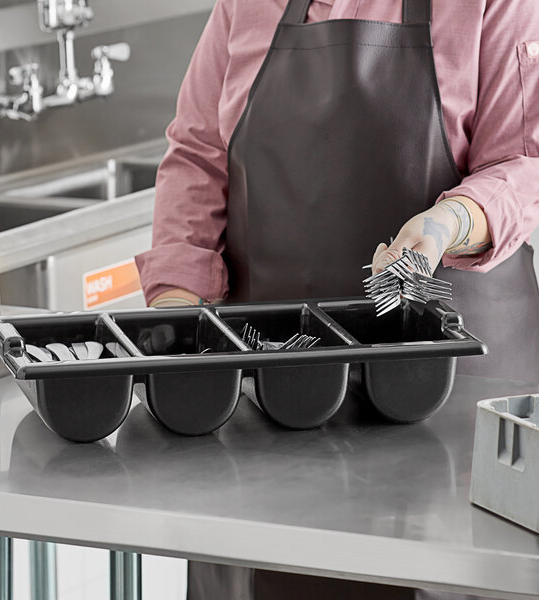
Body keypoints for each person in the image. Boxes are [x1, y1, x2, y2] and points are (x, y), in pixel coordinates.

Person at [136, 0, 539, 598]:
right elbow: (198, 156)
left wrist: (443, 226)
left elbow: (522, 163)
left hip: (457, 425)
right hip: (271, 415)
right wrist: (177, 312)